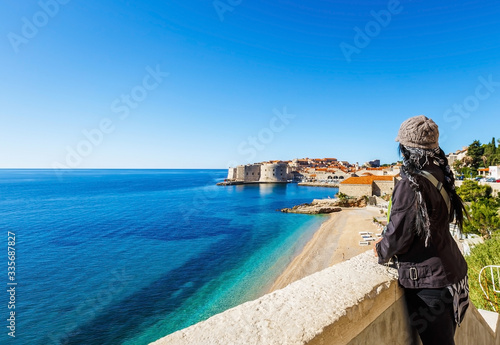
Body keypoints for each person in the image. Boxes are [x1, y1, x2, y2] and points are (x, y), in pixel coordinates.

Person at [374, 115, 469, 345]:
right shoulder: (439, 172)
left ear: (404, 148)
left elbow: (398, 235)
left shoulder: (410, 183)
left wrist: (380, 249)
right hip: (453, 272)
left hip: (430, 284)